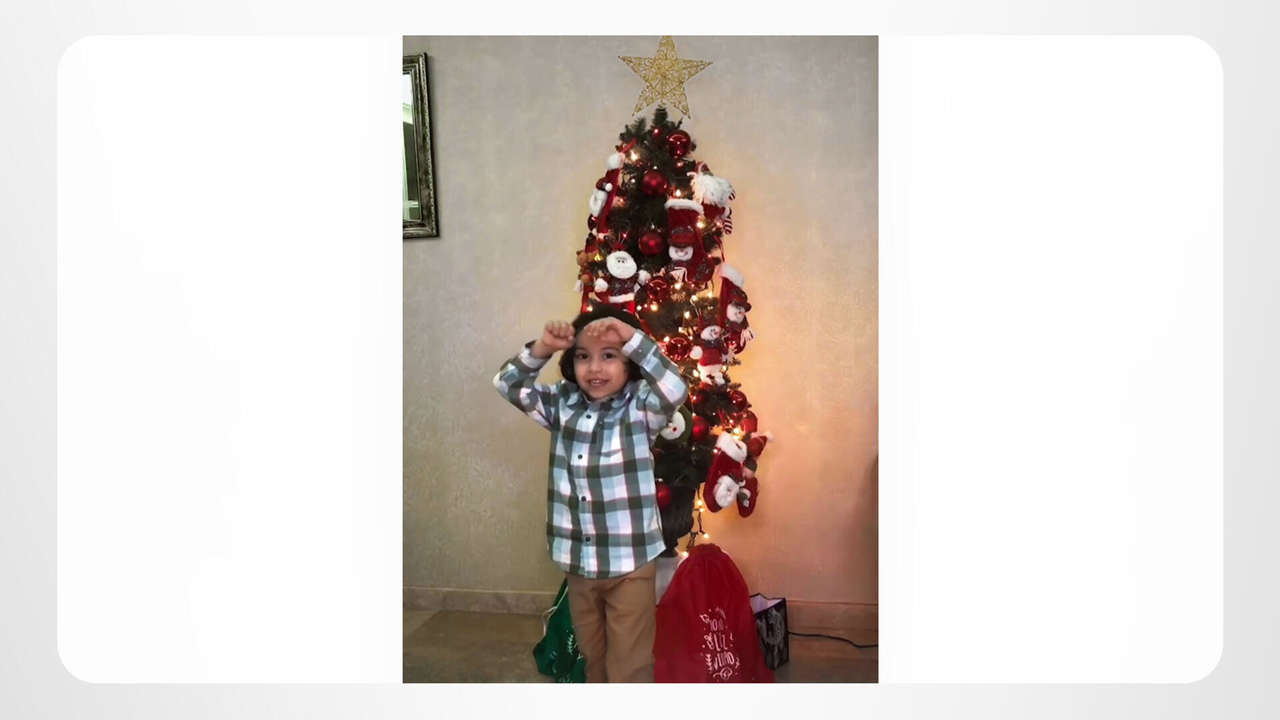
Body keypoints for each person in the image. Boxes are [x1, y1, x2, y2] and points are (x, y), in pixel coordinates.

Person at [493, 305, 688, 682]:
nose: (595, 368)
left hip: (630, 562)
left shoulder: (641, 407)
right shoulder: (561, 403)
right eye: (583, 356)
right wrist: (543, 347)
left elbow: (675, 387)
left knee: (629, 663)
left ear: (629, 363)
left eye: (609, 356)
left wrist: (631, 338)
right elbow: (507, 383)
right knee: (592, 656)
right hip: (579, 561)